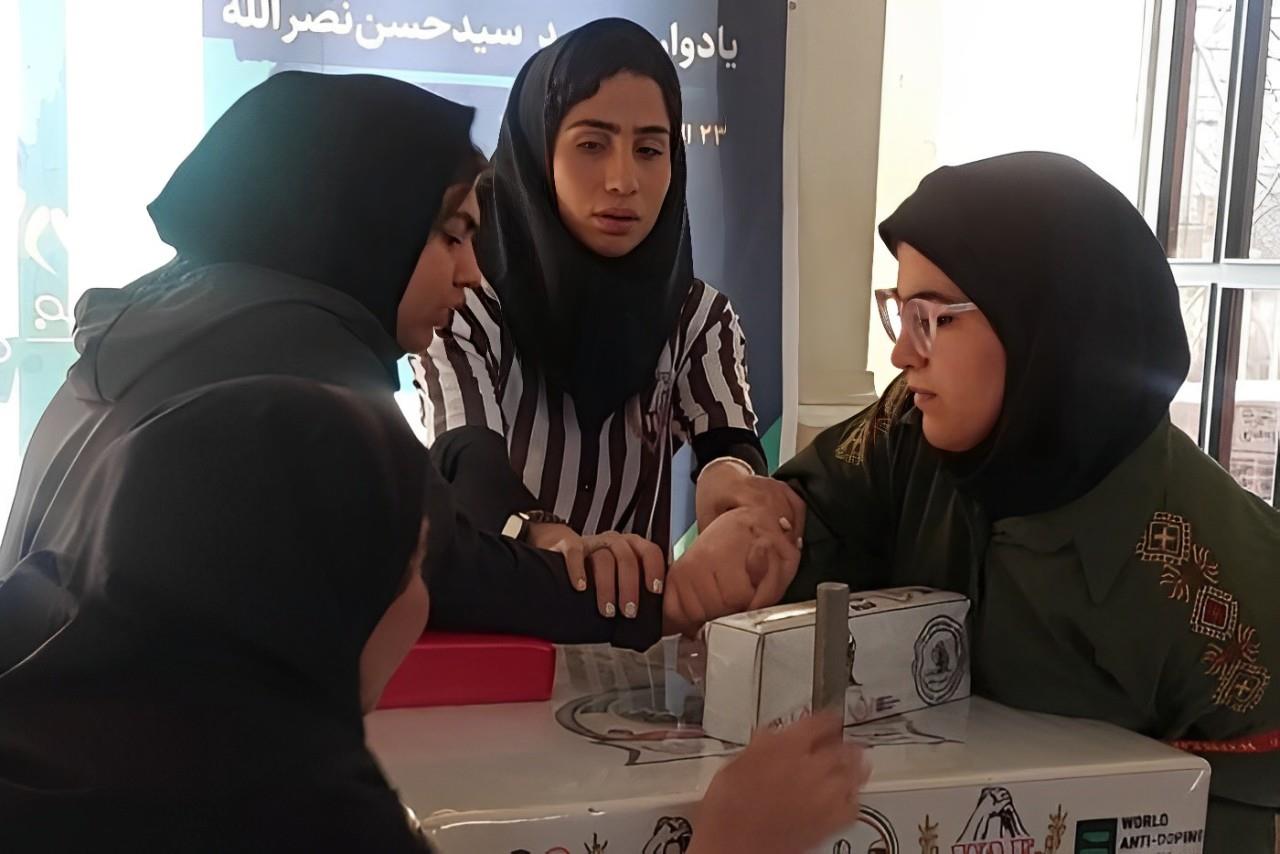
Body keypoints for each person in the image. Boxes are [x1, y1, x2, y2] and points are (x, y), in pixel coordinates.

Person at [667, 152, 1279, 852]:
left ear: (1045, 325)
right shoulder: (912, 430)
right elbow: (816, 511)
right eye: (899, 312)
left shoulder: (1216, 584)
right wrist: (746, 538)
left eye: (933, 318)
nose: (902, 354)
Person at [0, 376, 868, 853]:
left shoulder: (56, 743)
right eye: (414, 567)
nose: (427, 605)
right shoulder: (290, 816)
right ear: (309, 601)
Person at [0, 70, 661, 668]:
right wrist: (658, 595)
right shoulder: (306, 366)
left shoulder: (167, 317)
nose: (470, 273)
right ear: (372, 223)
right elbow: (441, 566)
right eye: (453, 236)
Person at [414, 18, 802, 624]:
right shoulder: (464, 301)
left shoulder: (697, 317)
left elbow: (728, 442)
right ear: (540, 151)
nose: (624, 181)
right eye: (591, 144)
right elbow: (466, 461)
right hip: (497, 636)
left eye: (650, 149)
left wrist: (735, 489)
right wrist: (550, 538)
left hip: (632, 652)